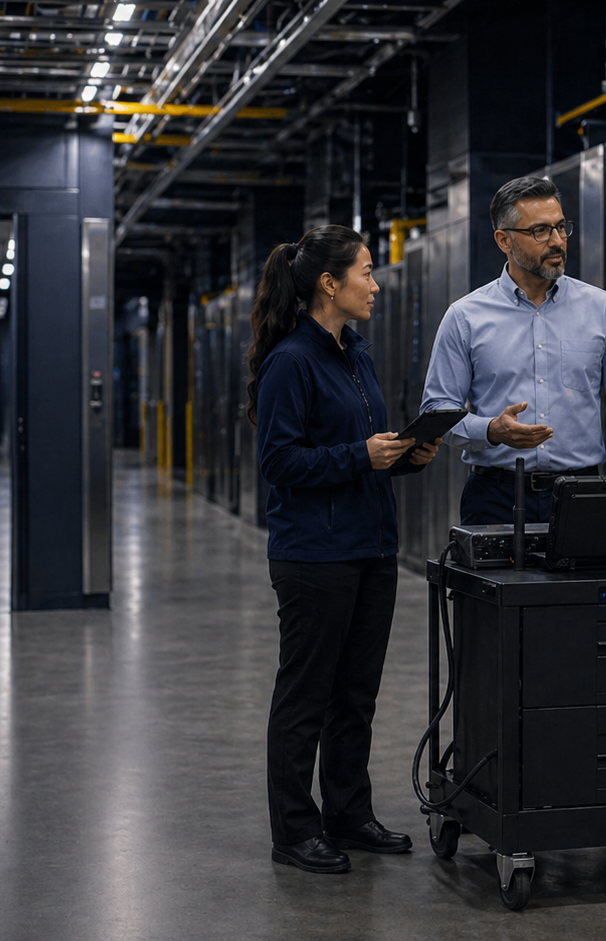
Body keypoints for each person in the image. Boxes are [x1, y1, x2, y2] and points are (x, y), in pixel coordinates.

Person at [248, 225, 441, 874]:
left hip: (370, 548)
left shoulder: (356, 354)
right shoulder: (291, 361)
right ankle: (293, 829)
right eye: (366, 271)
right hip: (314, 556)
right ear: (329, 284)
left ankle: (348, 813)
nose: (376, 284)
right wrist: (360, 455)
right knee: (305, 695)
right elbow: (279, 462)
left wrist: (405, 456)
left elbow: (362, 451)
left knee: (356, 694)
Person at [421, 175, 606, 524]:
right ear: (504, 240)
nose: (557, 241)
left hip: (582, 494)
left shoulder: (602, 309)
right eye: (540, 231)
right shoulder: (465, 317)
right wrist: (490, 430)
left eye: (561, 227)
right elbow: (437, 410)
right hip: (495, 497)